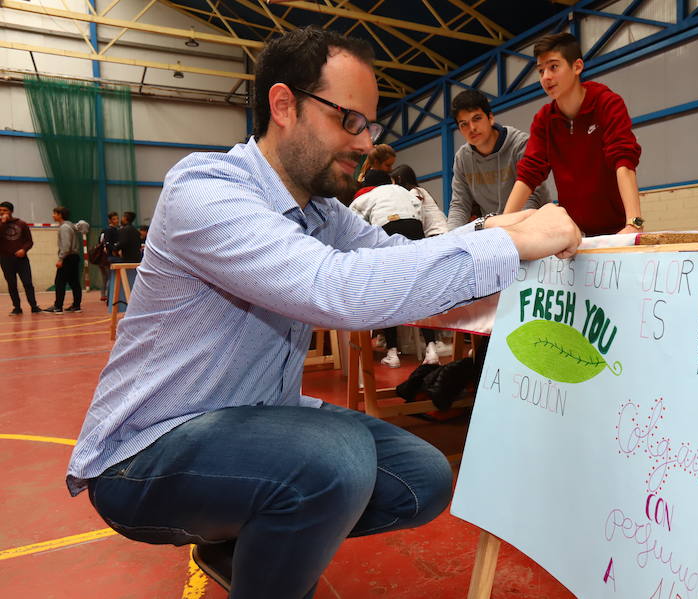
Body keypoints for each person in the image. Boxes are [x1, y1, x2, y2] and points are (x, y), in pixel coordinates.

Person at [65, 26, 580, 599]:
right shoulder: (206, 189)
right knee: (333, 462)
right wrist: (510, 245)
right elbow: (333, 289)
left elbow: (398, 260)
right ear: (283, 105)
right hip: (147, 450)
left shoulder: (322, 212)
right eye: (349, 120)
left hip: (254, 422)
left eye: (370, 125)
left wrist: (491, 227)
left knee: (421, 480)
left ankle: (235, 540)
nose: (364, 143)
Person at [504, 32, 644, 236]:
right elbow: (528, 174)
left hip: (617, 228)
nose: (546, 78)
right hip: (574, 233)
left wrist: (634, 223)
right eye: (541, 71)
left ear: (577, 66)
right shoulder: (544, 120)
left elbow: (624, 161)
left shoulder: (608, 104)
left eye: (553, 67)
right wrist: (504, 223)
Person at [349, 169, 446, 367]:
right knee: (421, 293)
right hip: (415, 230)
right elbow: (419, 210)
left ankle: (392, 353)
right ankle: (432, 348)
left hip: (387, 230)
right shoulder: (405, 191)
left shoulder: (366, 196)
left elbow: (353, 222)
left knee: (389, 293)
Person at [448, 89, 551, 230]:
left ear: (490, 118)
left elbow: (531, 199)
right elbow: (460, 205)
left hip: (535, 226)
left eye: (477, 118)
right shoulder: (462, 159)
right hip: (496, 231)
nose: (472, 128)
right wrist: (450, 240)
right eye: (464, 124)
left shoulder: (519, 144)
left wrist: (510, 233)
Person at [0, 201, 41, 315]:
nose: (2, 213)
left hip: (21, 260)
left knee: (27, 283)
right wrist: (3, 223)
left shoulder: (21, 223)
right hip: (5, 259)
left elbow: (29, 241)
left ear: (11, 211)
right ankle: (17, 307)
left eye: (5, 210)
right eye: (0, 210)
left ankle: (34, 306)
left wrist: (24, 250)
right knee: (12, 284)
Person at [390, 164, 449, 238]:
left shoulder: (414, 192)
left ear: (399, 179)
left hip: (436, 232)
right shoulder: (420, 191)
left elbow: (417, 213)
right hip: (441, 231)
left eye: (392, 181)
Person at [46, 206, 82, 314]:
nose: (53, 215)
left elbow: (66, 246)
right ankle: (76, 306)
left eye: (55, 213)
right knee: (74, 282)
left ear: (60, 215)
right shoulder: (70, 225)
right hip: (74, 257)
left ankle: (58, 306)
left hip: (68, 257)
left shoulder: (64, 228)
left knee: (59, 282)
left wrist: (61, 259)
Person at [98, 211, 120, 302]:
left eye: (117, 218)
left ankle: (105, 295)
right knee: (108, 277)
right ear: (110, 220)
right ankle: (108, 296)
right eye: (114, 219)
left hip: (110, 256)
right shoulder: (107, 230)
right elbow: (104, 244)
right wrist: (113, 250)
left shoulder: (117, 230)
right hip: (107, 257)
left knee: (107, 277)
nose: (117, 220)